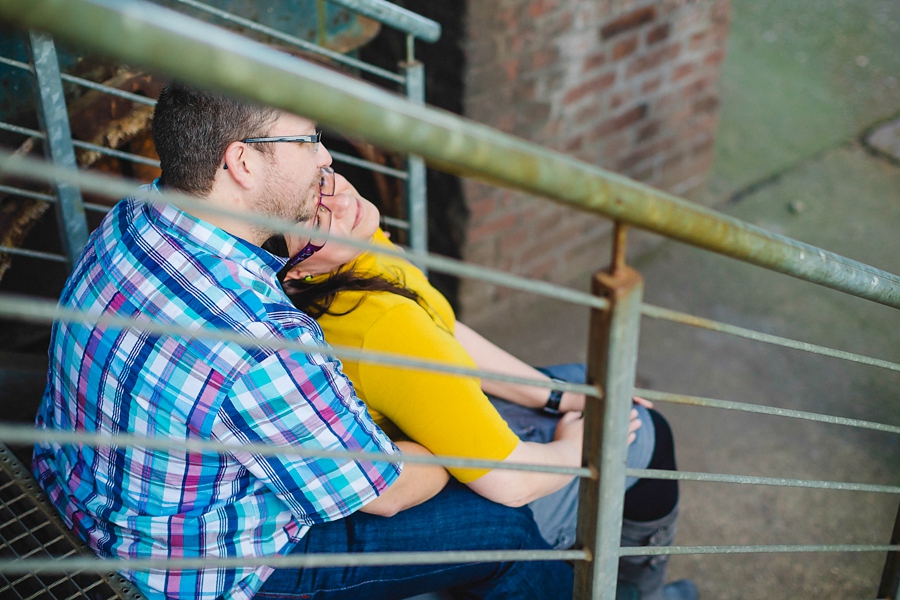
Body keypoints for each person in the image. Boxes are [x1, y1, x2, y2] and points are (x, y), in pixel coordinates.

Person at [32, 83, 574, 600]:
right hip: (194, 574)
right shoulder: (261, 338)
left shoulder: (135, 216)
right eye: (308, 140)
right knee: (503, 530)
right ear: (242, 162)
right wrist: (447, 443)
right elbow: (385, 492)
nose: (325, 159)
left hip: (80, 495)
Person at [267, 174, 699, 600]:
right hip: (454, 479)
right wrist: (578, 450)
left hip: (432, 440)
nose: (341, 201)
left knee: (584, 381)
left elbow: (440, 327)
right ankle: (636, 590)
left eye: (322, 180)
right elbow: (511, 483)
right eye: (316, 221)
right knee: (646, 432)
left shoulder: (352, 248)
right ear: (294, 273)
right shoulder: (377, 324)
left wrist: (554, 393)